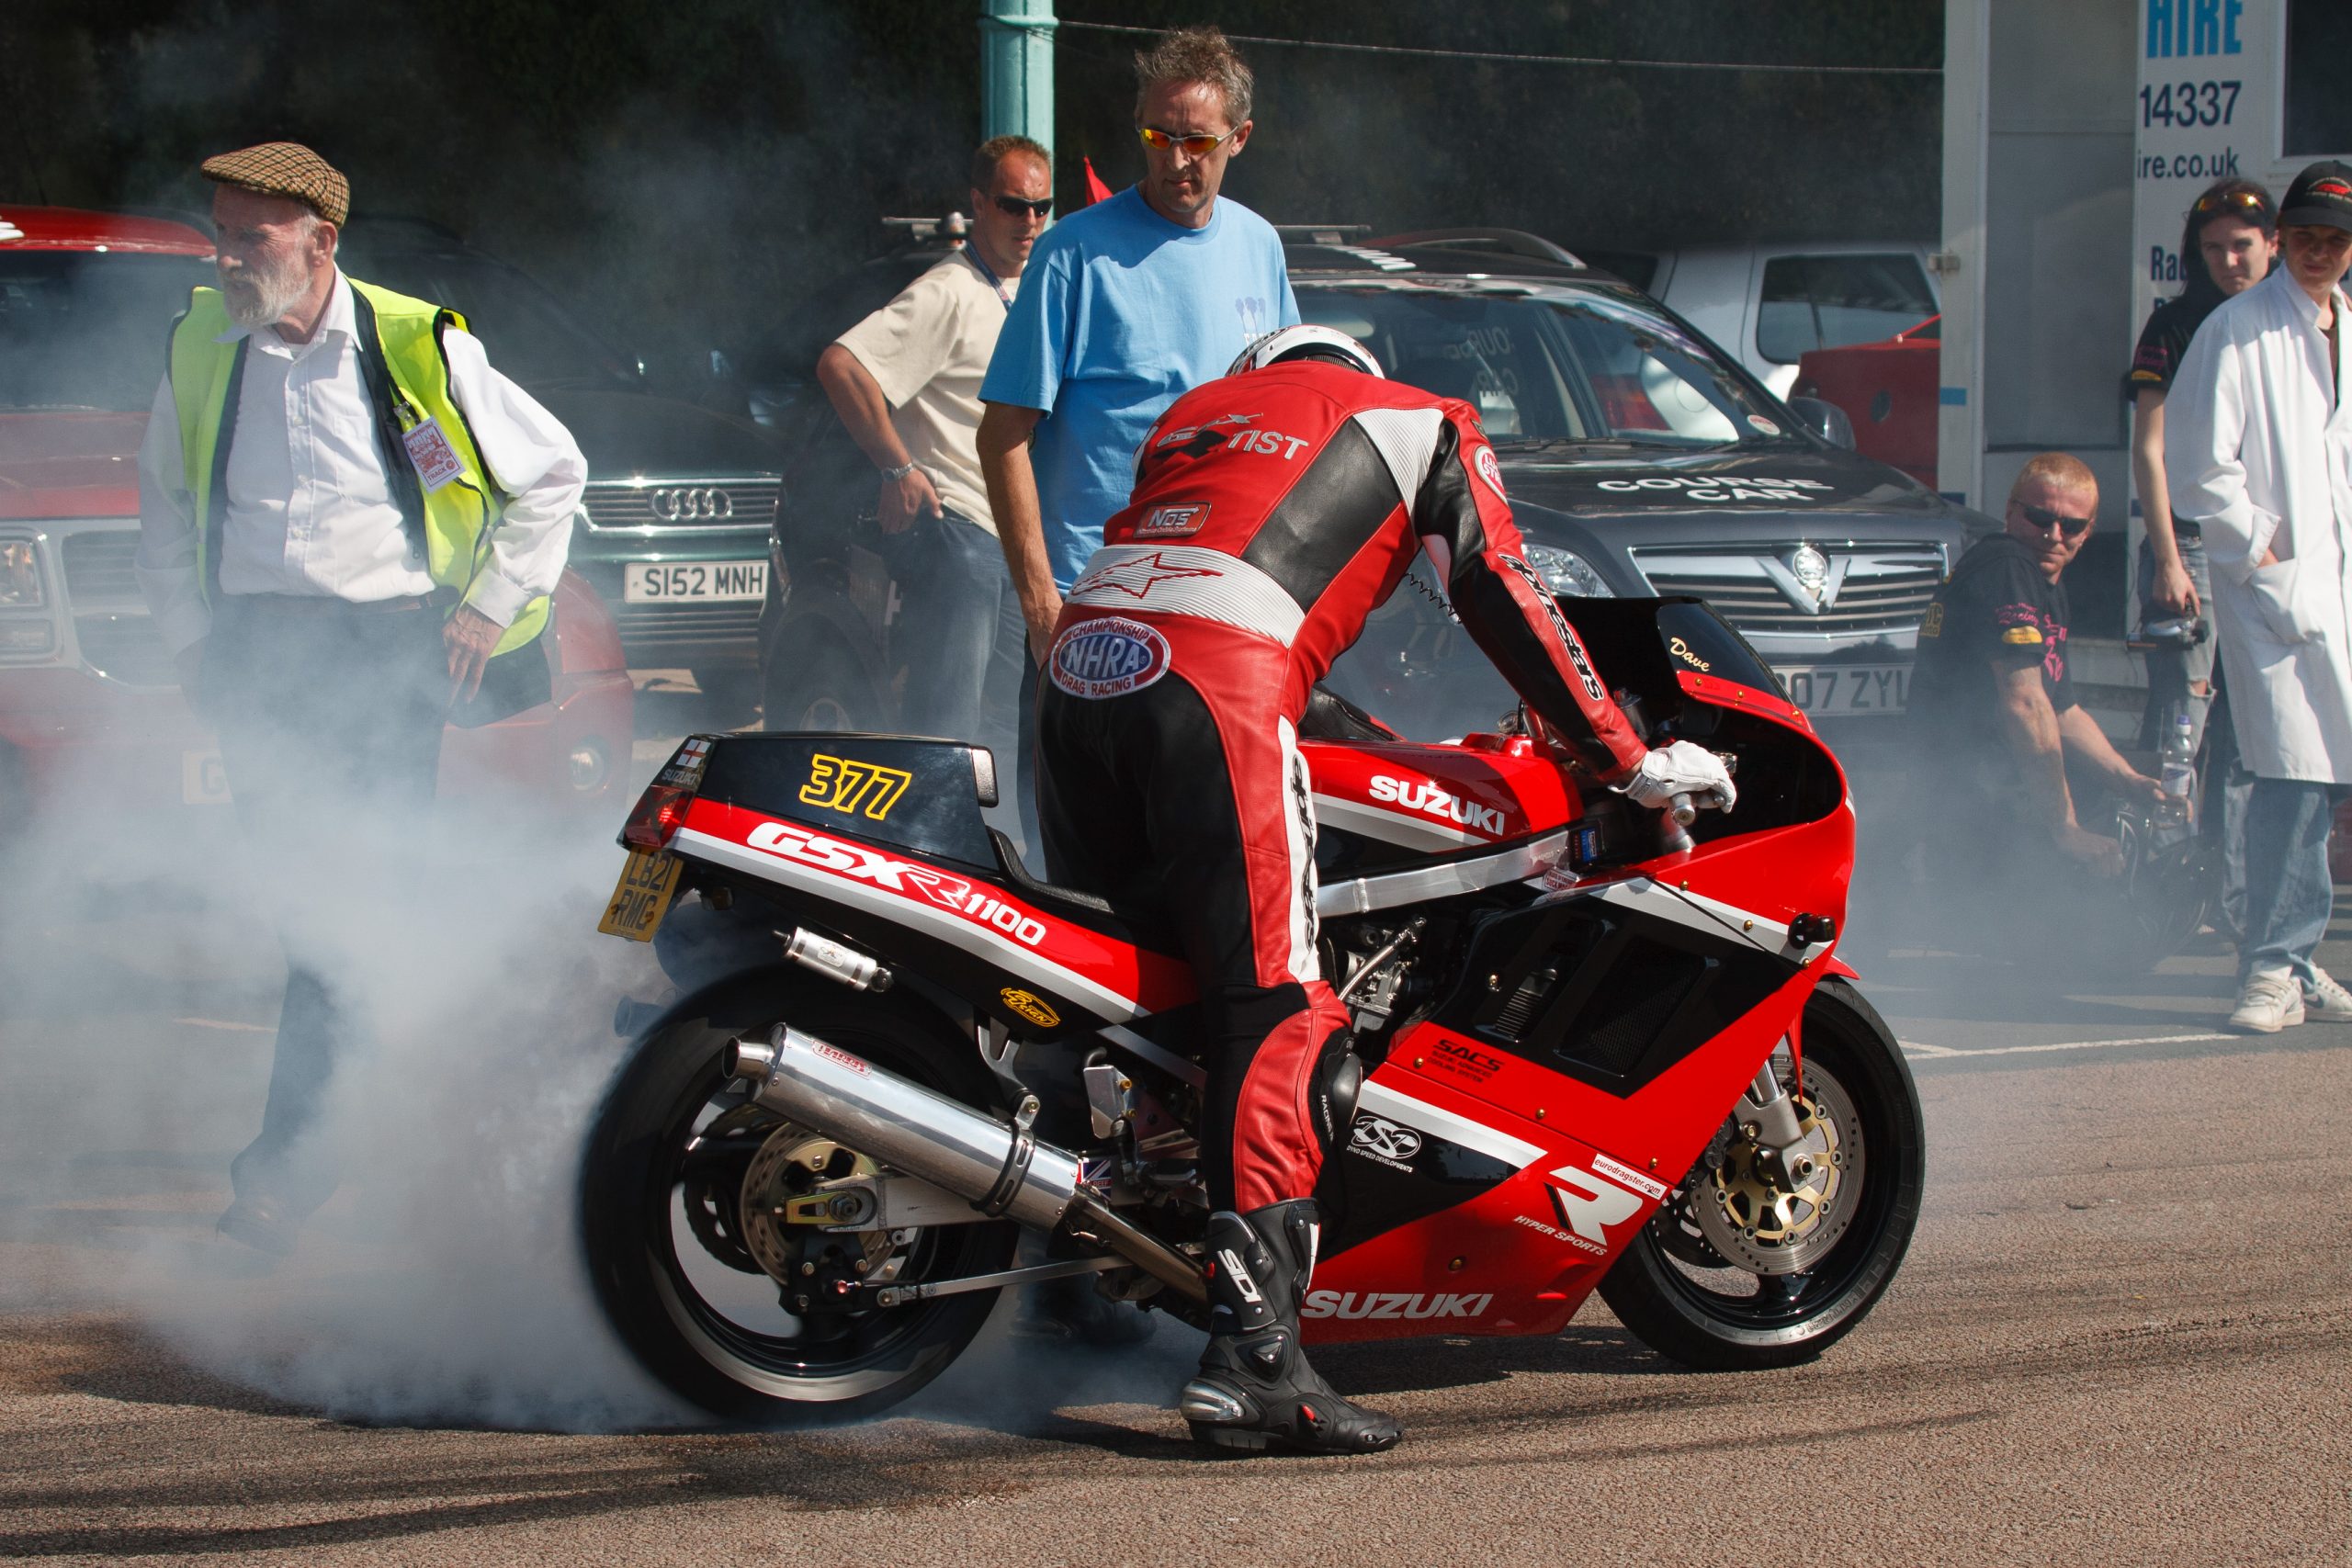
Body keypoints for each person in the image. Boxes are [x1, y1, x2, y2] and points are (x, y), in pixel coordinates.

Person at [1034, 325, 1735, 1455]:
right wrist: (1623, 756)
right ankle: (1256, 1359)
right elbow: (1503, 588)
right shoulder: (1425, 419)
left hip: (1078, 674)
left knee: (1123, 992)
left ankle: (1060, 1291)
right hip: (1216, 685)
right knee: (1275, 1007)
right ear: (1352, 370)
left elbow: (1213, 565)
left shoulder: (1198, 414)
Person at [135, 143, 585, 1252]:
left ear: (321, 240)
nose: (231, 255)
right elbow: (160, 496)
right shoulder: (205, 342)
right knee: (317, 910)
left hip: (378, 654)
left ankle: (283, 1181)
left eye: (254, 236)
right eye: (222, 233)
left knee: (338, 914)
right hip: (255, 656)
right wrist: (191, 638)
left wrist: (487, 602)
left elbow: (553, 472)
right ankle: (391, 1132)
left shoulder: (411, 341)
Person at [978, 24, 1297, 667]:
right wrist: (1043, 607)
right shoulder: (1072, 252)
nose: (1175, 160)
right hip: (1094, 610)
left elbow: (1290, 418)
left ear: (1240, 138)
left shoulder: (1261, 245)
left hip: (1221, 610)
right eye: (1158, 136)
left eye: (1198, 141)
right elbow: (1002, 433)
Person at [2166, 161, 2352, 1033]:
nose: (2321, 252)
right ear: (2285, 238)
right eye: (2308, 236)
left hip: (2336, 586)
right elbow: (2198, 467)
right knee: (2289, 774)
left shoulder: (2344, 324)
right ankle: (2271, 965)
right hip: (2273, 588)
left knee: (2319, 776)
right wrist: (2261, 546)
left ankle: (2295, 953)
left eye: (2336, 240)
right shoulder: (2236, 330)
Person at [815, 135, 1049, 807]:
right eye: (1012, 205)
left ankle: (998, 862)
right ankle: (925, 857)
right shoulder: (949, 288)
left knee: (1010, 722)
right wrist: (898, 469)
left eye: (1041, 207)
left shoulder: (1027, 285)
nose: (1029, 221)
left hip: (1016, 539)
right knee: (945, 720)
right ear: (978, 203)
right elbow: (841, 365)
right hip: (962, 535)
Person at [1903, 456, 2166, 942]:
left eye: (2072, 525)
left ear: (2089, 532)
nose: (2054, 535)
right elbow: (2025, 703)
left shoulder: (2042, 583)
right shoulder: (2009, 564)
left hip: (1977, 779)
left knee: (2100, 802)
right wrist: (2065, 829)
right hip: (1961, 786)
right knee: (2078, 932)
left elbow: (2062, 709)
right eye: (2041, 518)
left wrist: (2127, 778)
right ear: (2010, 513)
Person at [2125, 177, 2276, 938]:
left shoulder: (2291, 324)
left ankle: (2237, 893)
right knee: (2183, 729)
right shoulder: (2174, 324)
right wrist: (2166, 558)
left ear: (2271, 245)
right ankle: (2169, 893)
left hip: (2264, 544)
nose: (2228, 260)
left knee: (2256, 735)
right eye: (2212, 248)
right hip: (2188, 543)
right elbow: (2149, 451)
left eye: (2241, 246)